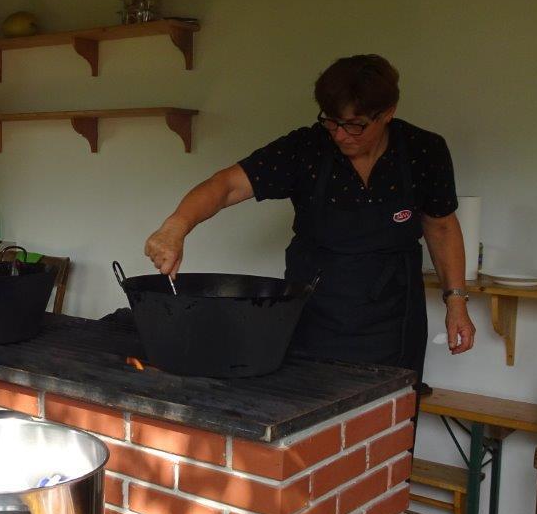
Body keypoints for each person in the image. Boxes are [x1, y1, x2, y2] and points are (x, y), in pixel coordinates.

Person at [144, 54, 474, 382]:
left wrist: (456, 302)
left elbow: (442, 226)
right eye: (332, 121)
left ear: (388, 113)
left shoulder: (423, 151)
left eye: (355, 125)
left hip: (393, 320)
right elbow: (226, 185)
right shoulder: (306, 149)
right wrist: (176, 226)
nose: (340, 135)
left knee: (389, 407)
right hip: (315, 314)